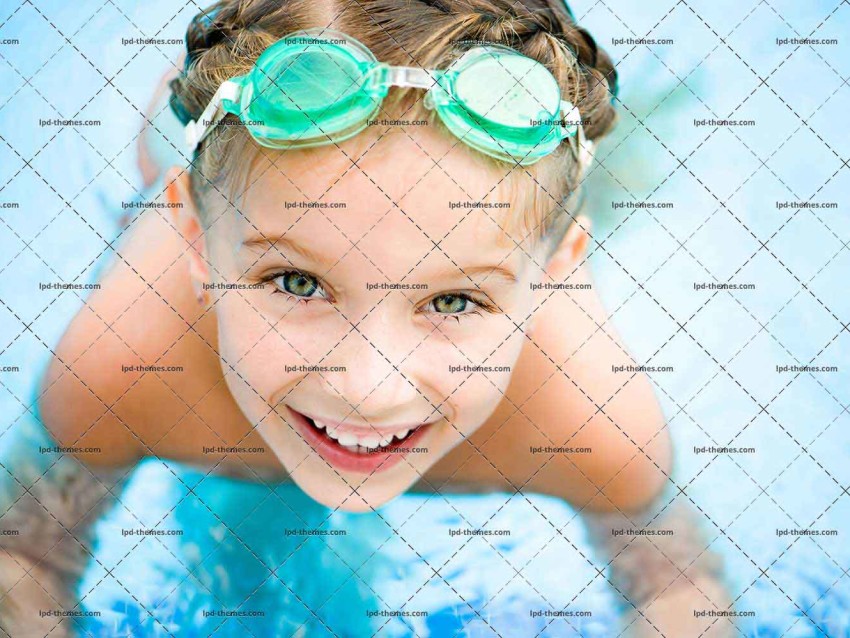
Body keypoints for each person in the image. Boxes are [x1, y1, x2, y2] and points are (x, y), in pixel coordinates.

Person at [1, 0, 732, 635]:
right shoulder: (121, 366)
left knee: (599, 173)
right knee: (168, 143)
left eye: (454, 300)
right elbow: (23, 555)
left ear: (556, 273)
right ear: (195, 239)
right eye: (295, 280)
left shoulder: (591, 423)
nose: (367, 386)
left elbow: (676, 588)